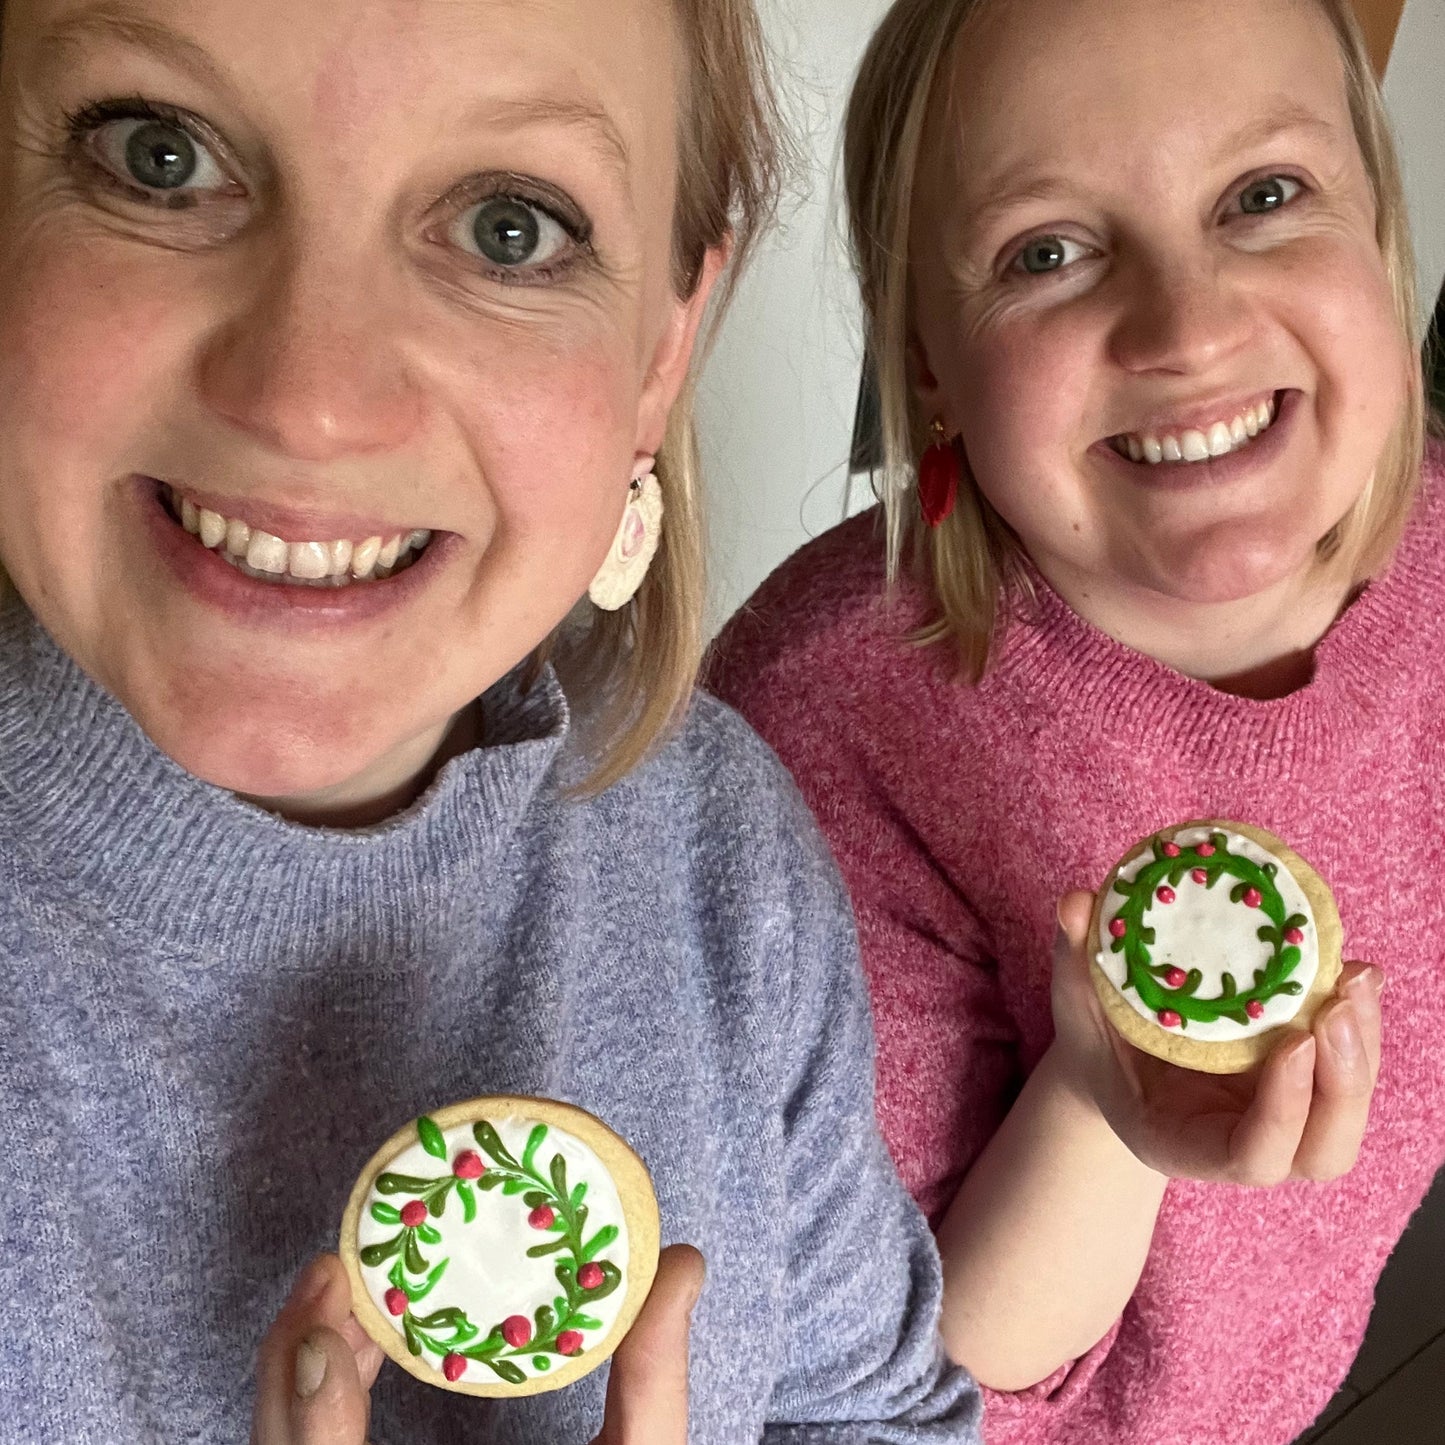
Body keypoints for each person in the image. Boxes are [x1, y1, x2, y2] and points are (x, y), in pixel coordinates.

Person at [0, 1, 985, 1442]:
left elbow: (871, 1410)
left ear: (661, 353)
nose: (310, 403)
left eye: (510, 228)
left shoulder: (721, 851)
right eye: (159, 157)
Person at [708, 0, 1445, 1442]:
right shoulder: (819, 730)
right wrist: (1102, 1109)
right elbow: (900, 1372)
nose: (1186, 327)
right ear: (924, 360)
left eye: (1263, 196)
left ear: (1378, 228)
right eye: (1047, 251)